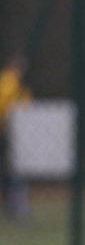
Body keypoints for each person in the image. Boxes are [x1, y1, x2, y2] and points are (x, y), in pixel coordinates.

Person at [0, 54, 31, 222]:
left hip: (13, 132)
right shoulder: (9, 84)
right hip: (8, 132)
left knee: (13, 172)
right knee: (14, 171)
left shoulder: (15, 86)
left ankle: (14, 206)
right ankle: (15, 207)